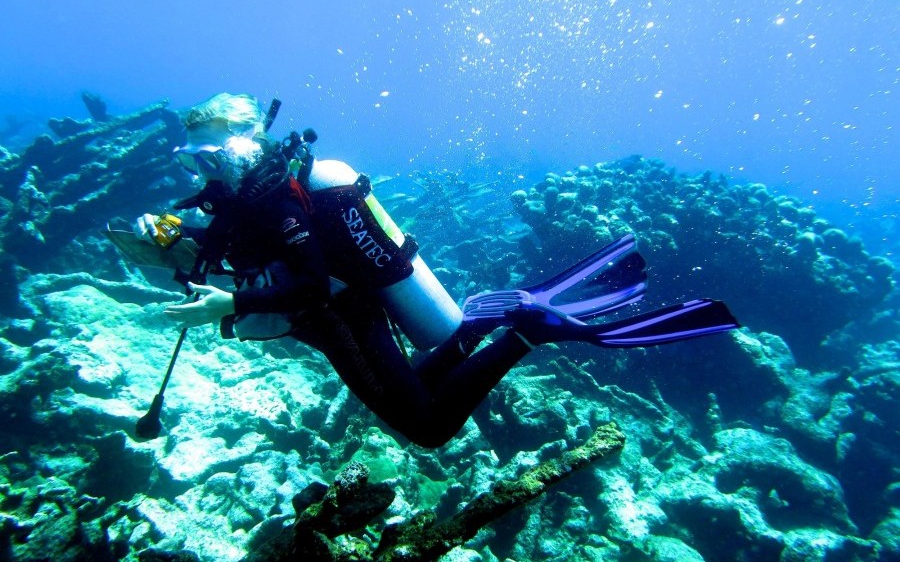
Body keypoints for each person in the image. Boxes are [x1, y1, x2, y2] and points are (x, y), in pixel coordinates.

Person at [134, 93, 739, 448]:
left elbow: (311, 282)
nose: (203, 168)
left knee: (426, 428)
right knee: (418, 388)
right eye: (193, 155)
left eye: (211, 153)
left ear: (244, 142)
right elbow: (229, 238)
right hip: (333, 315)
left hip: (341, 314)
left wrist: (229, 305)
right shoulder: (244, 191)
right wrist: (170, 231)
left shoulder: (279, 197)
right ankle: (476, 328)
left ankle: (527, 330)